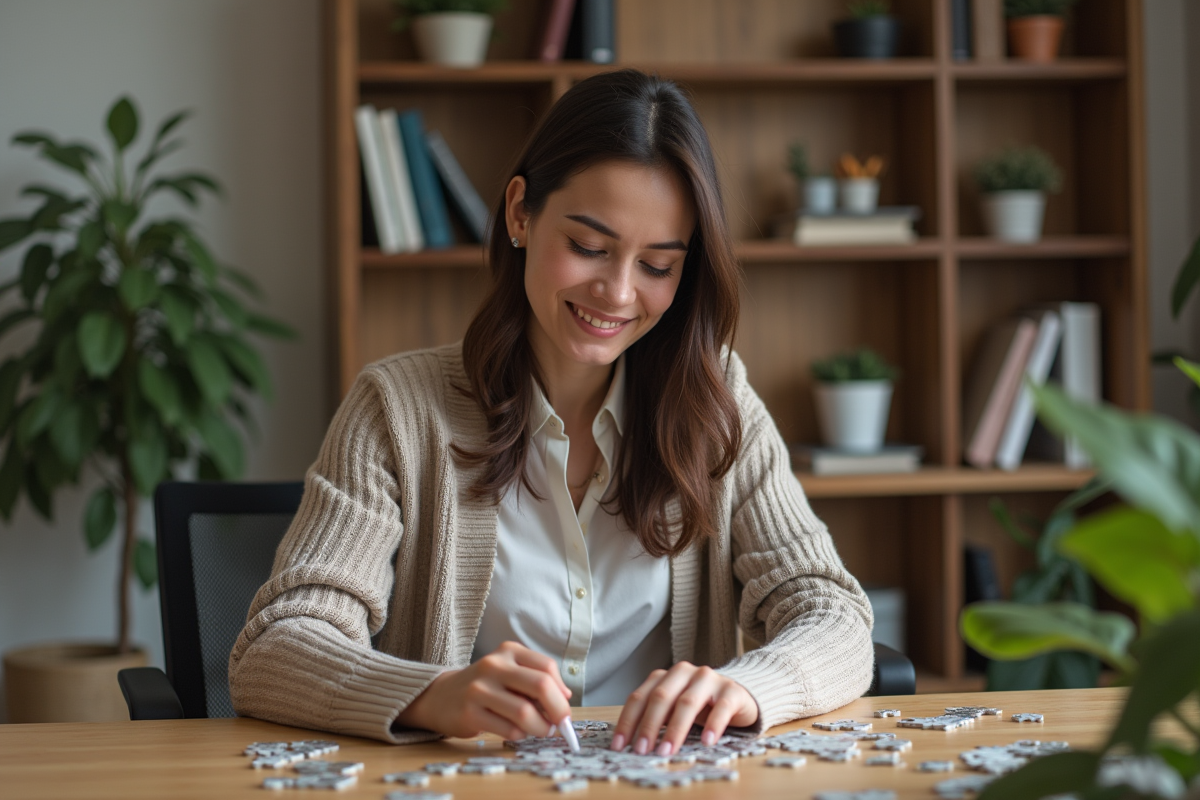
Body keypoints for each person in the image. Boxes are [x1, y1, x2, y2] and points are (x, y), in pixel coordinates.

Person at [229, 68, 874, 755]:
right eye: (590, 247)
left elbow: (833, 612)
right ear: (519, 213)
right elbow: (275, 647)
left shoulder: (717, 402)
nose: (618, 292)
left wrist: (749, 687)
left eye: (657, 266)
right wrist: (432, 696)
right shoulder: (397, 409)